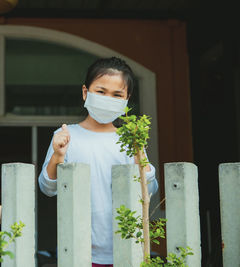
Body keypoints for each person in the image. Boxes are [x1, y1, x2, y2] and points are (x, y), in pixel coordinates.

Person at [38, 57, 158, 267]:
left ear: (126, 100)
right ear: (85, 92)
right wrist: (58, 155)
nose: (107, 98)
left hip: (127, 249)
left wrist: (140, 154)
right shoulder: (66, 136)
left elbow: (149, 190)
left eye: (117, 95)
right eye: (101, 92)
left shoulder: (131, 139)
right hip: (78, 251)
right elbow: (47, 188)